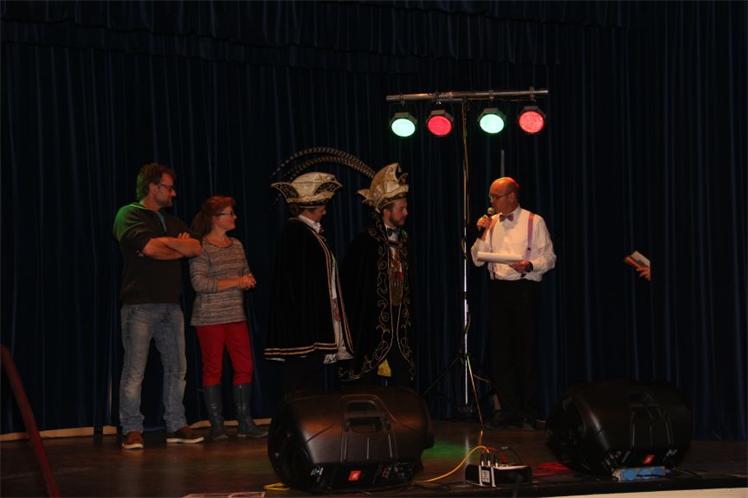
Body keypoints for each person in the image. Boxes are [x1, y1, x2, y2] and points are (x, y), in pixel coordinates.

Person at [113, 162, 204, 450]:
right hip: (139, 305)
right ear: (153, 187)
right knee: (135, 371)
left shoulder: (173, 221)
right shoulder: (128, 214)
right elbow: (150, 249)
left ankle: (176, 424)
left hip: (171, 305)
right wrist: (175, 246)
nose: (173, 193)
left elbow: (196, 247)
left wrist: (166, 244)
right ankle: (132, 429)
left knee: (178, 368)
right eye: (168, 187)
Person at [470, 177, 556, 428]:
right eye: (491, 197)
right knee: (501, 352)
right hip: (498, 291)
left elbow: (549, 258)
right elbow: (476, 259)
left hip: (523, 289)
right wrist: (481, 232)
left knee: (525, 350)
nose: (491, 202)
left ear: (511, 196)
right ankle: (508, 410)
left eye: (495, 197)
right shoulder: (491, 223)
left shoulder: (534, 221)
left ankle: (529, 411)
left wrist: (529, 265)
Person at [265, 172, 354, 395]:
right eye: (322, 205)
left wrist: (333, 302)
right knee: (299, 374)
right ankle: (296, 414)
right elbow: (297, 282)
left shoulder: (310, 233)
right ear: (310, 207)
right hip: (301, 319)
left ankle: (309, 413)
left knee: (311, 372)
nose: (325, 210)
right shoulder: (296, 233)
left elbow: (322, 276)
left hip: (313, 315)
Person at [189, 196, 268, 440]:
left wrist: (248, 279)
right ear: (216, 218)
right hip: (209, 317)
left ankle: (245, 422)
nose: (234, 217)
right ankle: (217, 426)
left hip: (235, 315)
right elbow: (199, 283)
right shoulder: (200, 246)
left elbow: (244, 272)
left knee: (244, 367)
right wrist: (236, 281)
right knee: (213, 368)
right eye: (229, 213)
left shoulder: (237, 244)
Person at [339, 163, 416, 386]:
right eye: (401, 208)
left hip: (400, 322)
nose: (406, 213)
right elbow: (352, 286)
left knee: (402, 377)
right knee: (368, 378)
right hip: (373, 324)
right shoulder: (365, 243)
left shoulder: (405, 241)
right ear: (386, 210)